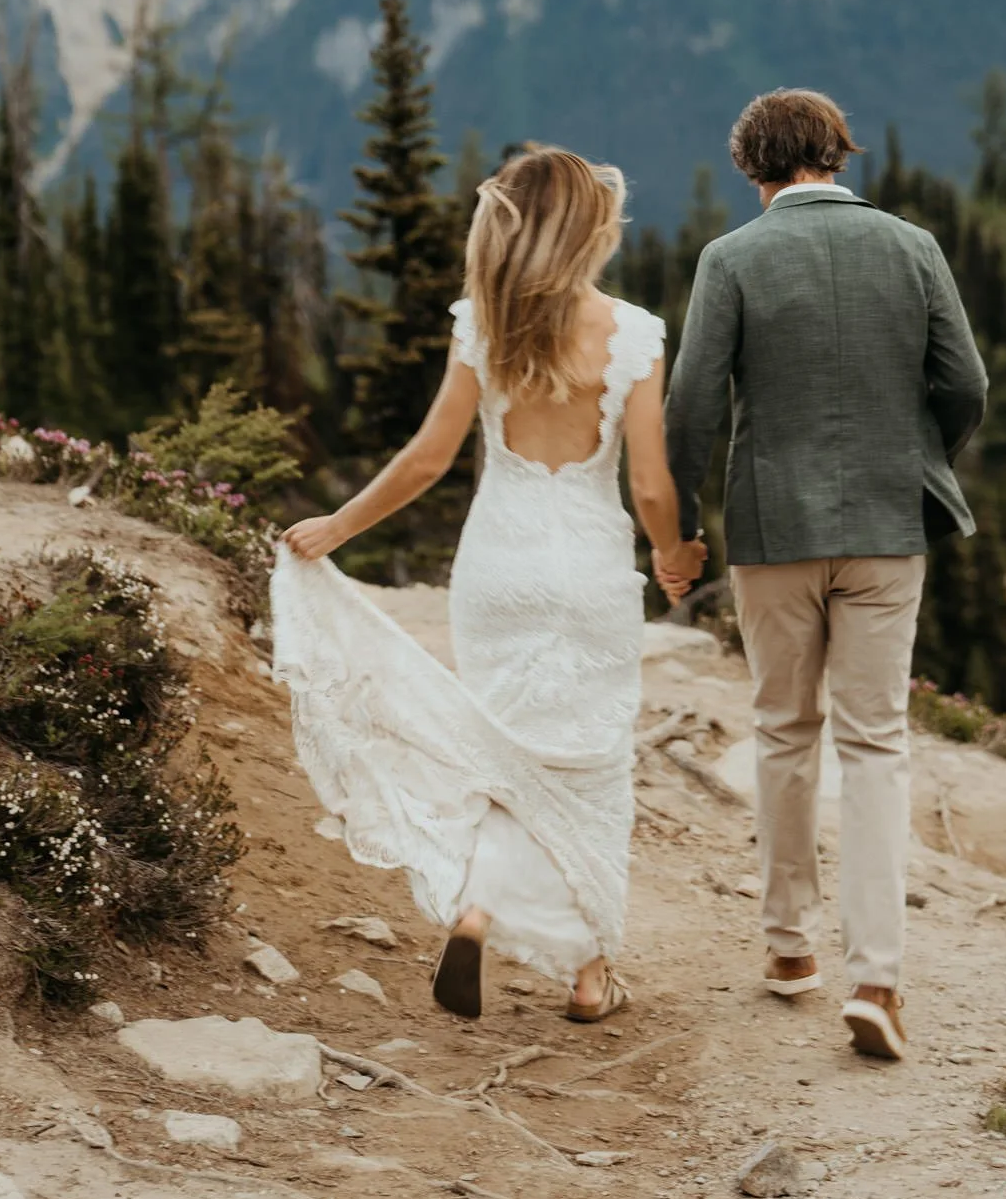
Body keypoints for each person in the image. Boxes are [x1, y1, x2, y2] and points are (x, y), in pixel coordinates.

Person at [272, 145, 701, 1024]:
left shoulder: (484, 326)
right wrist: (673, 554)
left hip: (498, 567)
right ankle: (590, 977)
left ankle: (476, 909)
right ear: (591, 232)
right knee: (590, 766)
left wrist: (337, 526)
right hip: (586, 565)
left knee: (506, 756)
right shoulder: (638, 335)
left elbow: (428, 459)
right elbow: (653, 486)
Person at [664, 87, 987, 1063]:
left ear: (752, 166)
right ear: (836, 156)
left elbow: (688, 409)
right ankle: (877, 977)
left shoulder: (730, 260)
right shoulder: (911, 246)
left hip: (773, 533)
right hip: (888, 529)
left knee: (782, 731)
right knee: (876, 742)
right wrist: (921, 459)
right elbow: (964, 383)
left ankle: (787, 950)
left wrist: (680, 525)